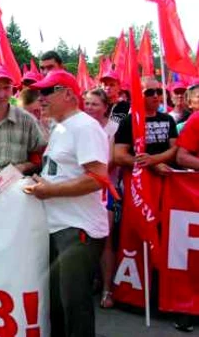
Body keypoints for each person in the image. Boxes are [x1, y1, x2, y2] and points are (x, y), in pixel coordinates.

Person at [25, 70, 110, 337]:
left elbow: (98, 179)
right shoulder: (61, 126)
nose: (41, 98)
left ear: (68, 94)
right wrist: (42, 181)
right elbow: (63, 171)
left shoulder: (84, 126)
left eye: (47, 92)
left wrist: (50, 191)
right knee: (58, 306)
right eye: (40, 93)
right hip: (60, 227)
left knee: (75, 307)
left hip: (78, 229)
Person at [84, 89, 119, 310]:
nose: (89, 108)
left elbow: (110, 161)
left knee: (105, 240)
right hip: (82, 189)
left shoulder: (113, 128)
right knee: (85, 240)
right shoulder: (80, 126)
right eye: (86, 103)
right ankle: (92, 281)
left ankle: (107, 288)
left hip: (105, 191)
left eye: (95, 104)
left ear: (105, 106)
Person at [115, 78, 178, 175]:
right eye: (150, 92)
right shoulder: (128, 121)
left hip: (168, 178)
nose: (156, 96)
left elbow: (175, 149)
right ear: (138, 95)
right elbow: (119, 155)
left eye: (159, 91)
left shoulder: (168, 119)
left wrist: (154, 160)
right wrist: (151, 165)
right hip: (139, 182)